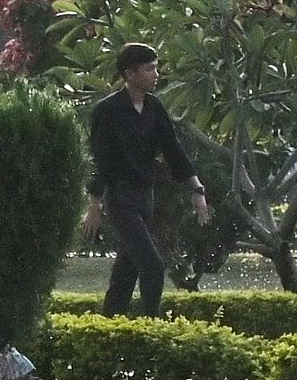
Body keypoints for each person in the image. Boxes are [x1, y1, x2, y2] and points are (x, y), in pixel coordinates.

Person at [82, 42, 207, 315]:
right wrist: (95, 203)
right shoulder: (108, 110)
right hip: (121, 199)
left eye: (156, 67)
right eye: (149, 68)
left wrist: (196, 188)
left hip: (144, 198)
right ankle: (151, 327)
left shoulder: (154, 108)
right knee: (152, 265)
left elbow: (173, 149)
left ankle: (107, 326)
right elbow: (99, 159)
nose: (156, 74)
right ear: (130, 74)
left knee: (125, 274)